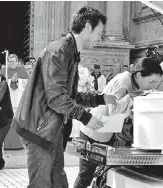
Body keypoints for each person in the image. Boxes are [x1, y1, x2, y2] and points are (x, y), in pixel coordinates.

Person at [11, 6, 116, 188]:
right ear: (88, 27)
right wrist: (85, 117)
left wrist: (99, 99)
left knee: (58, 183)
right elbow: (57, 97)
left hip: (51, 130)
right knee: (41, 184)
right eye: (99, 32)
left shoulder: (70, 52)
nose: (100, 38)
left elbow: (70, 95)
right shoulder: (59, 51)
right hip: (39, 128)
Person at [75, 57, 163, 188]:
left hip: (106, 132)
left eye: (156, 83)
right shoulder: (124, 81)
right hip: (94, 133)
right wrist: (131, 97)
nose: (153, 86)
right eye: (151, 81)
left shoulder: (134, 84)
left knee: (107, 170)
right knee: (85, 175)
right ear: (138, 75)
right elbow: (113, 109)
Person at [1, 54, 29, 150]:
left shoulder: (22, 71)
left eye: (13, 61)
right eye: (10, 61)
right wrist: (10, 81)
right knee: (7, 123)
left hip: (18, 102)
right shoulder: (4, 70)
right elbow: (0, 84)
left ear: (17, 62)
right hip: (7, 102)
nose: (11, 63)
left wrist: (17, 81)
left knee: (18, 123)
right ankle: (8, 144)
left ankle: (18, 144)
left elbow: (27, 85)